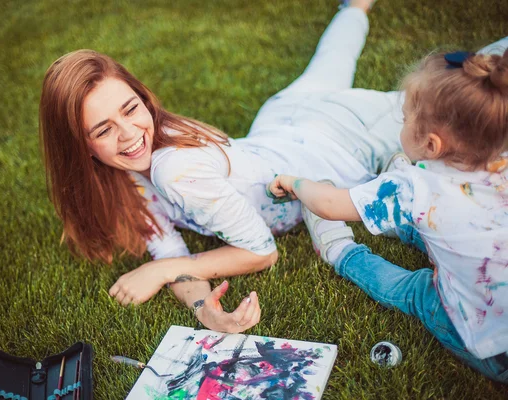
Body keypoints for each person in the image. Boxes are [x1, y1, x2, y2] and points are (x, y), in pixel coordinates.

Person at [39, 0, 407, 333]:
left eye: (130, 108)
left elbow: (261, 252)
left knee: (453, 104)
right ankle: (355, 8)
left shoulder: (175, 170)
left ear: (141, 96)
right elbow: (170, 251)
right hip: (281, 119)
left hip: (337, 141)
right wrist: (205, 310)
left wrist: (159, 272)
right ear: (81, 145)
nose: (128, 134)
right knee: (331, 64)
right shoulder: (128, 173)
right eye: (103, 129)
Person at [268, 44, 508, 383]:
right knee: (441, 224)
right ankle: (401, 222)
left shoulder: (415, 185)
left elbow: (330, 204)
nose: (403, 122)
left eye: (406, 118)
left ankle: (343, 253)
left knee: (421, 290)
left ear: (432, 146)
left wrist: (295, 181)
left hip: (491, 347)